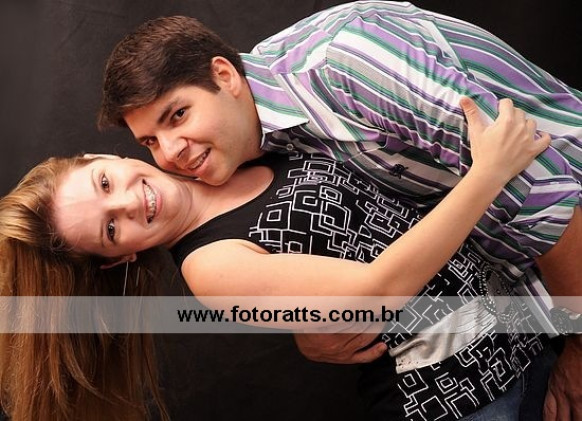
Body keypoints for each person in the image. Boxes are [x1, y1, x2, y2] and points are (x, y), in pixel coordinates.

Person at [97, 2, 581, 418]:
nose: (170, 151)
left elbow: (545, 197)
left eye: (178, 115)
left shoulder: (348, 65)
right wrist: (316, 317)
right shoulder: (243, 142)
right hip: (501, 343)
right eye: (150, 141)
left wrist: (579, 350)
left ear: (224, 76)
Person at [0, 98, 554, 420]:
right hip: (465, 398)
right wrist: (488, 172)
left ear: (101, 156)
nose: (128, 202)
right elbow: (377, 293)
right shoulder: (211, 270)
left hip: (521, 332)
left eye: (104, 182)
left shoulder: (220, 152)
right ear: (119, 258)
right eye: (110, 229)